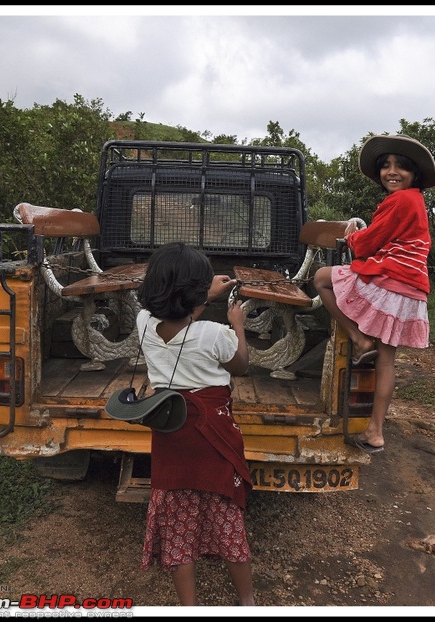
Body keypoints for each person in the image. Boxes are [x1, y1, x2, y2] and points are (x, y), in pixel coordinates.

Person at [135, 242, 255, 606]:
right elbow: (241, 365)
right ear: (196, 294)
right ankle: (247, 601)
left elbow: (176, 317)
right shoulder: (215, 333)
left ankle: (189, 607)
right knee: (227, 521)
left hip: (171, 437)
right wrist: (236, 324)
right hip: (211, 440)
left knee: (178, 528)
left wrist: (202, 297)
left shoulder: (142, 323)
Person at [313, 134, 435, 453]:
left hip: (390, 280)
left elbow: (369, 243)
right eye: (386, 166)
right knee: (387, 361)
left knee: (322, 279)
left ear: (414, 173)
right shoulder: (417, 201)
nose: (391, 171)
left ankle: (357, 338)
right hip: (412, 291)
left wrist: (353, 237)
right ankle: (375, 432)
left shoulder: (399, 200)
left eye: (400, 166)